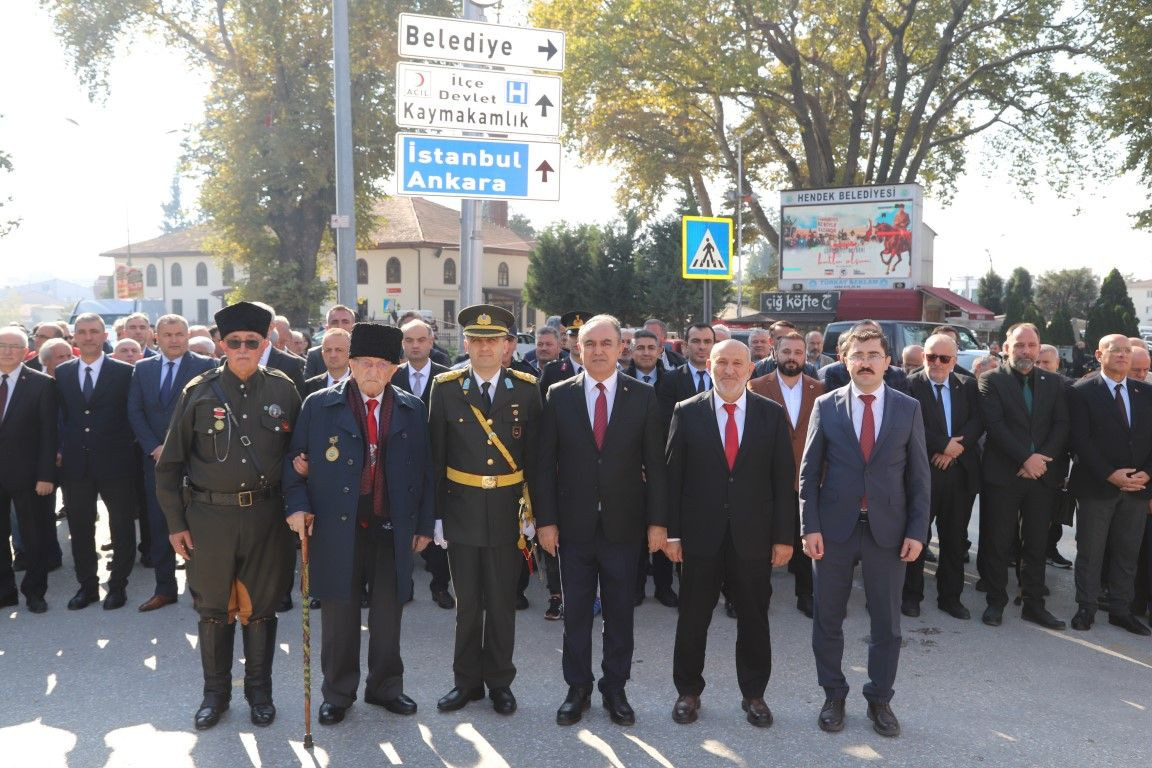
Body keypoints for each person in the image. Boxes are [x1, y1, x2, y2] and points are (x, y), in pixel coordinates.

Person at [155, 301, 301, 730]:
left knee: (261, 611)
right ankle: (215, 695)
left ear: (264, 344)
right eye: (234, 341)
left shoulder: (283, 390)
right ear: (221, 344)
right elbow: (169, 466)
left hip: (266, 518)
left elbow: (297, 456)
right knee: (213, 611)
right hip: (208, 519)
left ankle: (260, 693)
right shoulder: (197, 391)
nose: (242, 348)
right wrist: (176, 525)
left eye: (251, 342)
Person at [284, 323, 435, 725]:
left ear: (394, 368)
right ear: (349, 364)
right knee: (339, 617)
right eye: (364, 363)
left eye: (382, 364)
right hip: (337, 527)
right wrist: (297, 507)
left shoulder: (411, 408)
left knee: (389, 615)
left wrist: (423, 524)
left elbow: (425, 471)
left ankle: (386, 687)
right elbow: (294, 463)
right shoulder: (319, 404)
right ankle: (338, 692)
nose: (373, 371)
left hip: (391, 526)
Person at [535, 314, 668, 727]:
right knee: (575, 612)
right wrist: (546, 521)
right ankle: (578, 689)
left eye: (606, 343)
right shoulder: (558, 394)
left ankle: (615, 688)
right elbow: (543, 465)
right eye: (589, 343)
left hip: (623, 527)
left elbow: (656, 468)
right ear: (577, 348)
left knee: (620, 614)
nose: (597, 351)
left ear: (620, 348)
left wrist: (657, 523)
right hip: (571, 527)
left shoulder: (642, 397)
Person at [799, 326, 930, 738]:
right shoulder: (826, 405)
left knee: (887, 624)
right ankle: (833, 695)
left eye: (874, 354)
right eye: (858, 355)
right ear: (845, 360)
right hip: (834, 531)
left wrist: (916, 530)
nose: (867, 362)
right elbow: (807, 474)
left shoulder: (907, 408)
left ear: (887, 361)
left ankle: (880, 699)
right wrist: (810, 527)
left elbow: (920, 477)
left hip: (888, 532)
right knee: (827, 619)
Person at [665, 339, 795, 727]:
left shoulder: (771, 415)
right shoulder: (686, 412)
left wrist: (784, 538)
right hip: (699, 537)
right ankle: (688, 692)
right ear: (708, 365)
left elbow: (782, 479)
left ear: (750, 369)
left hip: (753, 538)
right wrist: (672, 534)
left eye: (738, 363)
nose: (729, 370)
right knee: (692, 619)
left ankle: (754, 695)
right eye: (722, 362)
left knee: (754, 619)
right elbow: (673, 479)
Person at [429, 304, 540, 716]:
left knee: (502, 602)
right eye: (477, 340)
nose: (485, 348)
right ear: (466, 344)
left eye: (493, 340)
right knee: (468, 604)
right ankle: (465, 682)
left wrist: (533, 513)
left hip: (509, 510)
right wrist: (436, 515)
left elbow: (537, 458)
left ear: (507, 345)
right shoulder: (445, 387)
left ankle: (499, 682)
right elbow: (435, 458)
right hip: (461, 509)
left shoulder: (527, 389)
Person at [977, 323, 1068, 630]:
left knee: (1036, 543)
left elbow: (1060, 425)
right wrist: (1024, 458)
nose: (1025, 351)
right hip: (1004, 475)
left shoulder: (1054, 382)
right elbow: (995, 425)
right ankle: (995, 602)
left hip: (1041, 476)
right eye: (1019, 345)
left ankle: (1033, 604)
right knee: (998, 542)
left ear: (1039, 346)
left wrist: (1039, 461)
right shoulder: (990, 379)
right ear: (1006, 347)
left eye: (1031, 345)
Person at [127, 314, 214, 612]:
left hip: (193, 462)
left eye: (179, 334)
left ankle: (199, 590)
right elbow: (135, 410)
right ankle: (164, 588)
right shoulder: (142, 369)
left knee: (195, 525)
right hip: (155, 461)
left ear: (187, 336)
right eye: (168, 334)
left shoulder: (206, 366)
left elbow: (209, 413)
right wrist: (154, 447)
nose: (174, 339)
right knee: (159, 521)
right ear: (156, 337)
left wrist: (179, 448)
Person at [1067, 334, 1152, 636]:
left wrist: (1148, 474)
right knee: (1091, 550)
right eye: (1115, 351)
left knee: (1127, 552)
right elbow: (1080, 441)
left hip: (1137, 489)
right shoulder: (1081, 391)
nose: (1122, 356)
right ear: (1099, 354)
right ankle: (1086, 608)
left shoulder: (1146, 392)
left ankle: (1121, 609)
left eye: (1127, 351)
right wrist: (1109, 474)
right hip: (1096, 486)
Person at [56, 313, 138, 611]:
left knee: (121, 527)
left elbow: (133, 415)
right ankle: (87, 586)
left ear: (105, 336)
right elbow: (61, 416)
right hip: (76, 465)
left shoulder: (125, 372)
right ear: (74, 337)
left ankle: (117, 586)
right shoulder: (63, 373)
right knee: (80, 528)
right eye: (82, 332)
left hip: (116, 463)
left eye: (94, 332)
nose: (88, 337)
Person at [901, 333, 983, 620]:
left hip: (959, 474)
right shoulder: (908, 384)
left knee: (954, 539)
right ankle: (911, 595)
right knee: (917, 535)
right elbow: (910, 424)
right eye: (930, 356)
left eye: (943, 358)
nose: (936, 363)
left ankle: (951, 597)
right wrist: (941, 444)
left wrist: (954, 449)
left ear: (954, 361)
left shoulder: (968, 386)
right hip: (922, 474)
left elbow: (978, 421)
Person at [748, 331, 824, 617]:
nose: (792, 357)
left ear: (805, 356)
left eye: (798, 352)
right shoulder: (755, 386)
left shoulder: (821, 388)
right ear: (775, 353)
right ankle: (757, 595)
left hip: (806, 479)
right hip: (766, 481)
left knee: (805, 539)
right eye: (786, 351)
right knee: (760, 542)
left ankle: (806, 595)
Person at [390, 318, 453, 610]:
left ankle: (441, 586)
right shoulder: (391, 376)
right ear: (402, 344)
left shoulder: (448, 378)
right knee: (398, 528)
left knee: (437, 526)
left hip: (439, 466)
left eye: (421, 340)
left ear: (431, 342)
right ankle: (403, 587)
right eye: (409, 340)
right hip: (399, 466)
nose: (415, 345)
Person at [0, 327, 58, 613]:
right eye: (2, 345)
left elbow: (49, 434)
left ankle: (35, 592)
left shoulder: (41, 384)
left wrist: (46, 475)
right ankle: (4, 591)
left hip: (29, 476)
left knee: (33, 536)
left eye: (14, 346)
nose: (7, 351)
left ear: (26, 352)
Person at [657, 323, 715, 426]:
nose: (702, 347)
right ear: (685, 346)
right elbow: (666, 422)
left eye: (707, 341)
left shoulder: (724, 378)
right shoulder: (669, 380)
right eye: (696, 341)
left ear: (715, 346)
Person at [304, 305, 357, 378]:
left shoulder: (364, 354)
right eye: (334, 322)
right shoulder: (315, 355)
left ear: (353, 327)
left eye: (345, 322)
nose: (340, 326)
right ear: (327, 327)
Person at [303, 328, 352, 396]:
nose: (333, 355)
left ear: (349, 353)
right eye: (328, 350)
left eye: (339, 350)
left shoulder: (360, 384)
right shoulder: (309, 386)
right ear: (323, 354)